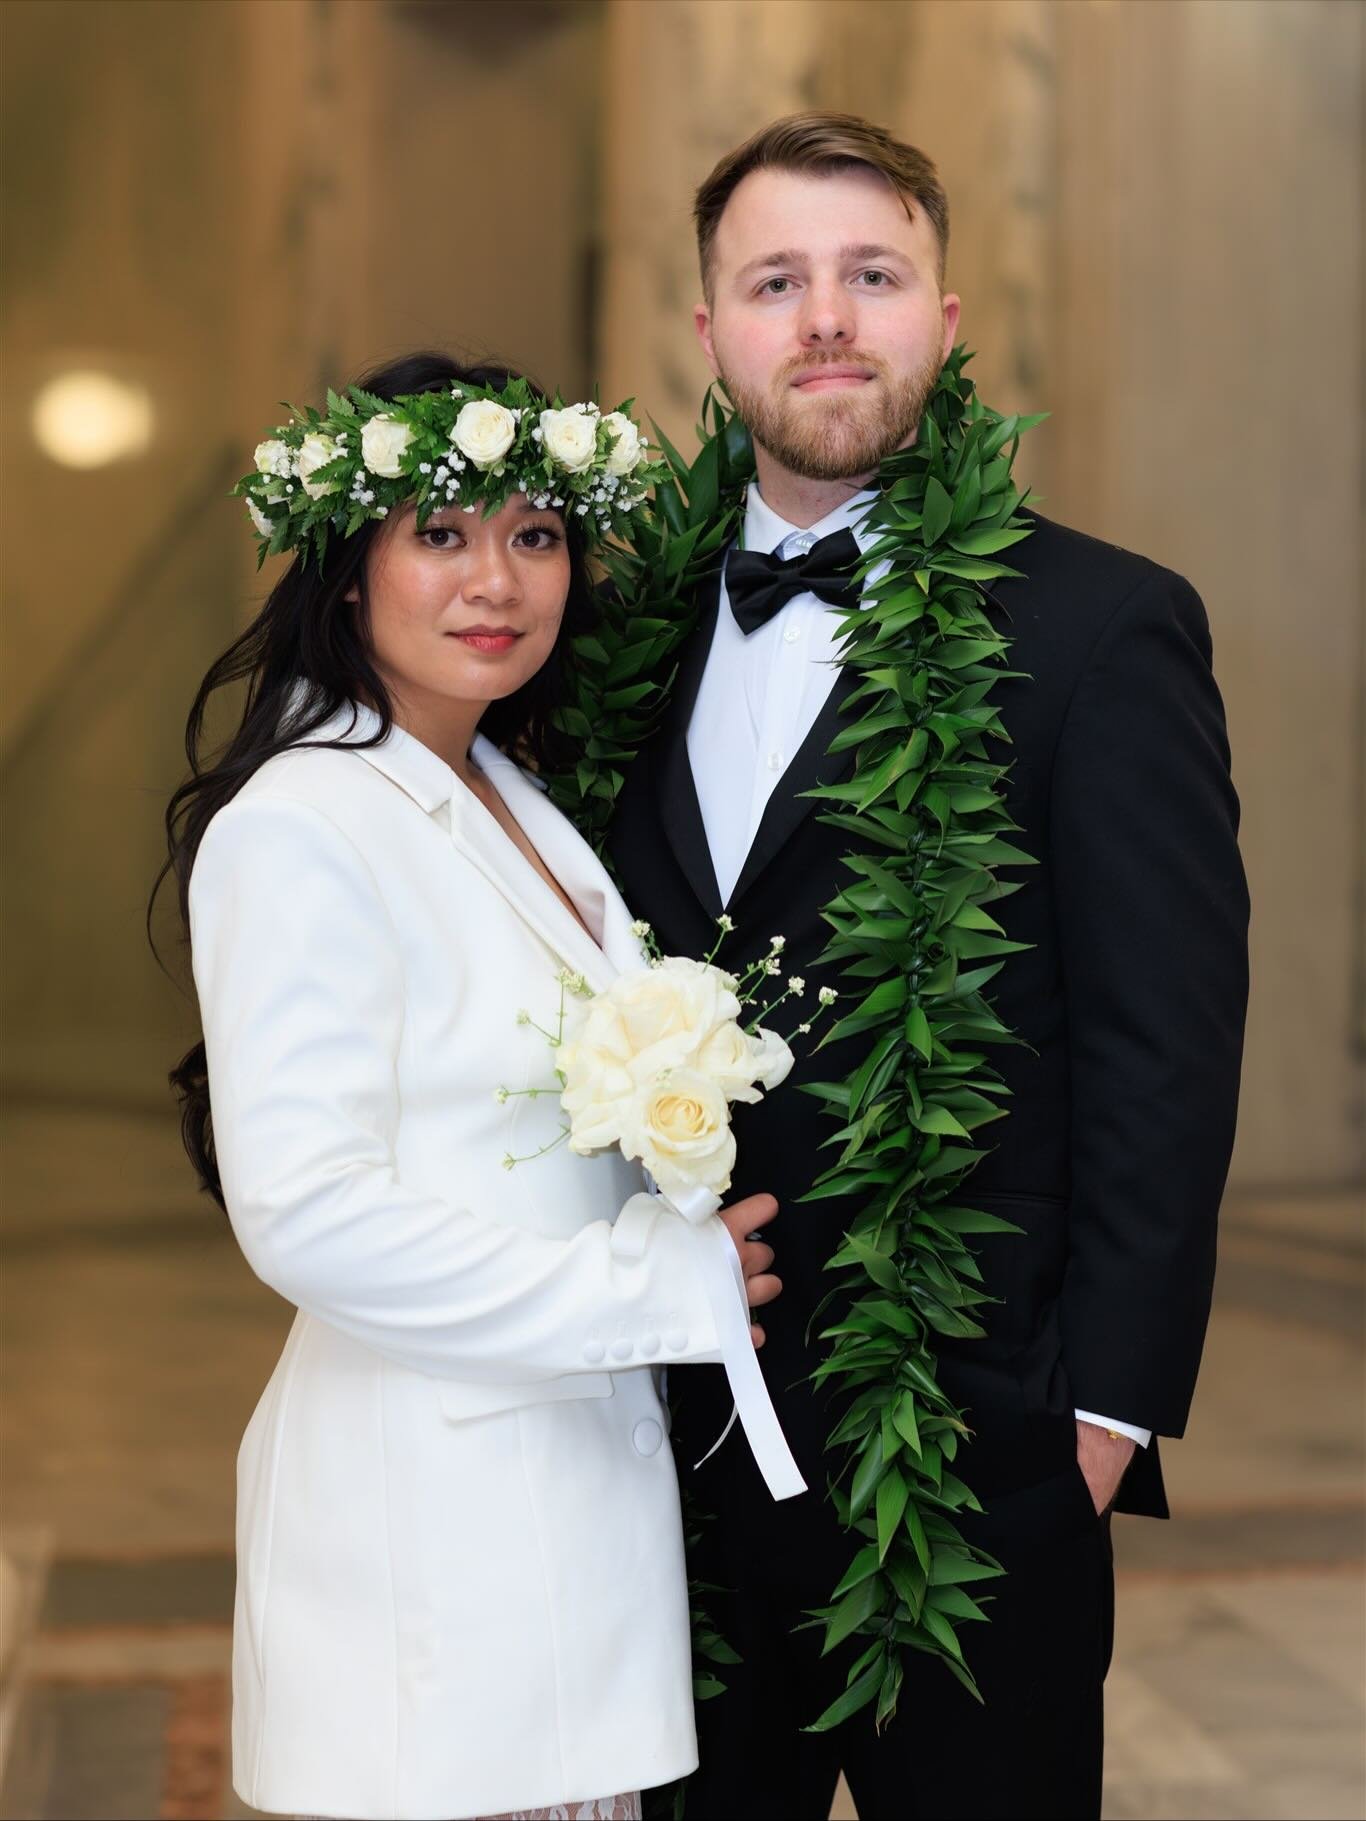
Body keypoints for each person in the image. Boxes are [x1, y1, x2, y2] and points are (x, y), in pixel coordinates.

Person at [606, 114, 1250, 1820]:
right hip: (653, 1456)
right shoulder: (607, 637)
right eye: (775, 281)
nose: (826, 317)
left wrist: (1105, 1413)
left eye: (870, 275)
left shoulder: (1097, 628)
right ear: (708, 332)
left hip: (973, 1462)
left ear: (943, 318)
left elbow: (1164, 1043)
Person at [155, 352, 796, 1821]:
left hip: (571, 1524)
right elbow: (305, 1212)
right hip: (432, 1547)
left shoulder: (512, 796)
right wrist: (647, 1289)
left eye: (535, 534)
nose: (494, 580)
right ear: (346, 574)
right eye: (439, 532)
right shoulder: (304, 821)